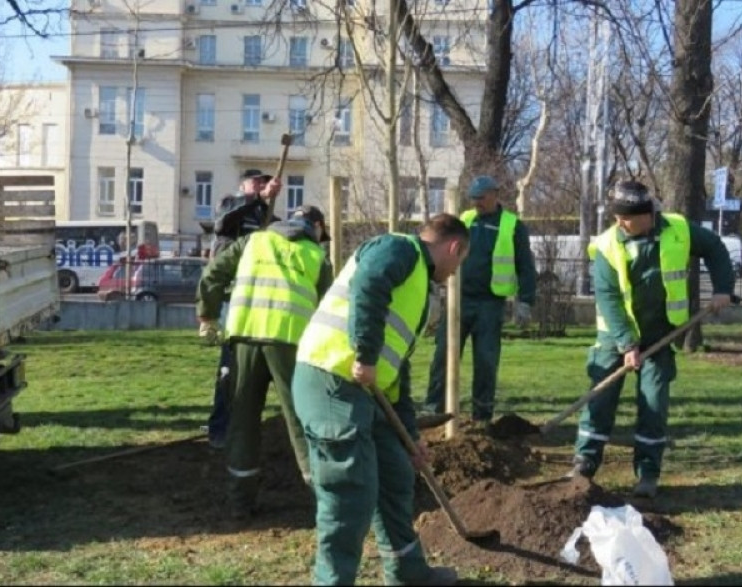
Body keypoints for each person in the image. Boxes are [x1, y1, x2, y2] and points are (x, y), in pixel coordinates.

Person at [292, 214, 470, 586]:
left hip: (366, 388)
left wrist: (410, 437)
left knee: (395, 473)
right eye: (460, 262)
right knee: (350, 489)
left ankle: (407, 570)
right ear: (455, 247)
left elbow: (396, 374)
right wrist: (366, 354)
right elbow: (369, 285)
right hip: (330, 378)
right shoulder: (398, 248)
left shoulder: (419, 285)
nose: (455, 273)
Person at [567, 179, 735, 499]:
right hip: (613, 335)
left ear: (646, 214)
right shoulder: (606, 245)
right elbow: (609, 298)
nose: (619, 222)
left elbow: (714, 248)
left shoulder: (678, 230)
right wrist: (627, 344)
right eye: (616, 215)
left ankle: (647, 471)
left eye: (625, 216)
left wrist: (723, 288)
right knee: (600, 399)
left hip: (660, 334)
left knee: (653, 402)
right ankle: (584, 462)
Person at [196, 205, 333, 520]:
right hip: (291, 343)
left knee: (242, 420)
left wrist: (207, 313)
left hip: (244, 337)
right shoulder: (317, 257)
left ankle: (240, 502)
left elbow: (213, 272)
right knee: (302, 420)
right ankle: (324, 504)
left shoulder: (252, 242)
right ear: (316, 226)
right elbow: (329, 307)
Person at [422, 175, 537, 425]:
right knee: (443, 354)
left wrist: (525, 300)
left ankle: (482, 416)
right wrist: (432, 289)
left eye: (481, 198)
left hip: (490, 303)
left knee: (485, 360)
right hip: (458, 299)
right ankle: (433, 410)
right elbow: (440, 252)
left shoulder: (512, 225)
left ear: (495, 194)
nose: (477, 203)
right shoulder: (464, 220)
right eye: (474, 198)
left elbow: (526, 266)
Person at [201, 168, 283, 449]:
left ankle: (243, 424)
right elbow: (224, 222)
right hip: (230, 295)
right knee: (230, 363)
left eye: (264, 181)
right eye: (255, 181)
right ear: (243, 184)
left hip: (257, 297)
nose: (261, 184)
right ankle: (220, 429)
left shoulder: (264, 215)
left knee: (253, 362)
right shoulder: (230, 203)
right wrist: (258, 197)